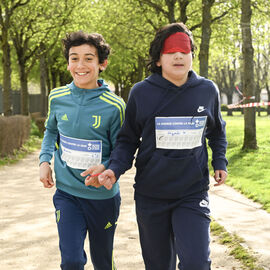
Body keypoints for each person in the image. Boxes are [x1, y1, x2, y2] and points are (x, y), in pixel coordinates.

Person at [97, 22, 228, 270]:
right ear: (158, 59)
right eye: (170, 51)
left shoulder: (207, 90)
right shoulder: (141, 92)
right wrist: (114, 169)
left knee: (197, 263)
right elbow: (127, 140)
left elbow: (217, 132)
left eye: (184, 50)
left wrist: (219, 161)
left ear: (191, 55)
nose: (178, 55)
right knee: (159, 265)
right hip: (151, 194)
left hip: (192, 192)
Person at [39, 31, 125, 270]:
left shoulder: (115, 106)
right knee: (72, 260)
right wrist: (44, 161)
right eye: (74, 58)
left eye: (89, 58)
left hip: (103, 198)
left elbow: (123, 150)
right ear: (68, 63)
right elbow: (50, 132)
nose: (80, 65)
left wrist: (107, 168)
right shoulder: (57, 97)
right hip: (67, 195)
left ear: (102, 64)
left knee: (103, 262)